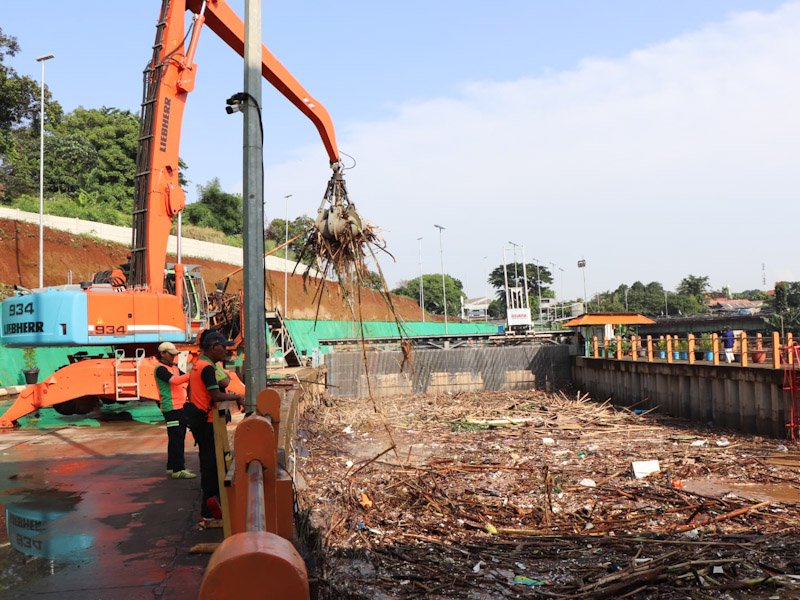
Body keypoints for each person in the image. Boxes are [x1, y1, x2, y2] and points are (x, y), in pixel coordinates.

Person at [185, 331, 244, 521]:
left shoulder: (198, 365)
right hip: (207, 422)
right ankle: (208, 509)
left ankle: (212, 504)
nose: (225, 351)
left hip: (199, 420)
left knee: (210, 462)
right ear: (213, 347)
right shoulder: (208, 368)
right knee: (212, 465)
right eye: (223, 347)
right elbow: (216, 396)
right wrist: (237, 396)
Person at [154, 341, 196, 479]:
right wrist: (192, 375)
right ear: (162, 353)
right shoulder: (160, 369)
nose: (173, 357)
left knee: (176, 438)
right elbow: (176, 381)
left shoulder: (173, 367)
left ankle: (172, 467)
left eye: (174, 355)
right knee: (177, 439)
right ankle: (178, 469)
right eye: (171, 354)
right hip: (171, 408)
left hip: (178, 407)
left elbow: (182, 378)